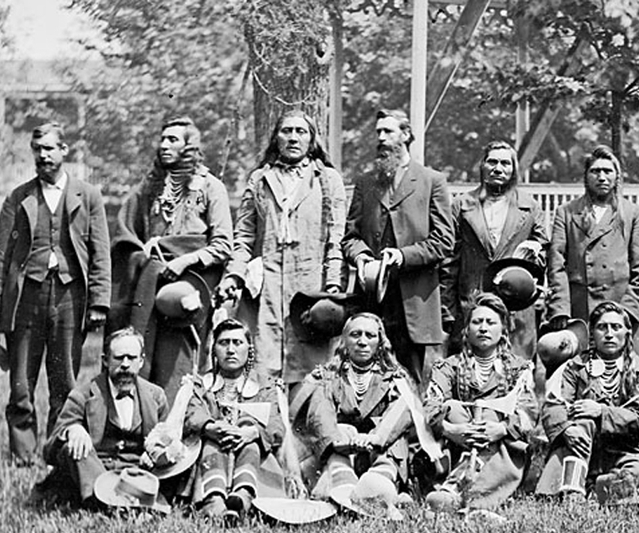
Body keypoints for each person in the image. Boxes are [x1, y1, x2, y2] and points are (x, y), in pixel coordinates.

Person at [0, 122, 111, 466]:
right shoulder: (18, 197)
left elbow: (101, 252)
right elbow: (0, 256)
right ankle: (23, 457)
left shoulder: (89, 195)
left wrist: (99, 302)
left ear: (64, 151)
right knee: (21, 383)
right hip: (26, 298)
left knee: (64, 380)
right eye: (38, 149)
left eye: (50, 148)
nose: (43, 155)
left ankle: (57, 452)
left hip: (71, 298)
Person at [113, 116, 235, 400]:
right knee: (143, 358)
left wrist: (183, 260)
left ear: (189, 146)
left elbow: (222, 245)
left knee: (177, 370)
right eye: (163, 139)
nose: (164, 145)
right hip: (149, 283)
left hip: (187, 289)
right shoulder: (150, 189)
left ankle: (173, 436)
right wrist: (142, 252)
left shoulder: (210, 187)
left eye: (173, 140)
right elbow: (127, 233)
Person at [226, 110, 347, 391]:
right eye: (286, 131)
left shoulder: (327, 180)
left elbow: (335, 238)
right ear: (276, 137)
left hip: (310, 286)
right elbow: (243, 237)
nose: (293, 137)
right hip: (267, 287)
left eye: (301, 131)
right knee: (265, 367)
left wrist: (331, 285)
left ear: (312, 140)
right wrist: (234, 275)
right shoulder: (259, 181)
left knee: (313, 372)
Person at [342, 109, 455, 385]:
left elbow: (444, 240)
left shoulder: (431, 181)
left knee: (410, 380)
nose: (381, 138)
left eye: (388, 131)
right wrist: (362, 256)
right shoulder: (366, 183)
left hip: (413, 301)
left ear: (406, 135)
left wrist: (403, 256)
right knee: (365, 378)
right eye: (378, 132)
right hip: (371, 299)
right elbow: (350, 237)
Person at [424, 293, 538, 512]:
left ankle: (466, 493)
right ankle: (472, 491)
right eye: (477, 322)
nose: (483, 328)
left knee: (490, 412)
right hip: (458, 445)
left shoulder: (519, 369)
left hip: (503, 446)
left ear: (503, 330)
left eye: (490, 322)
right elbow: (431, 405)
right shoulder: (448, 367)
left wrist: (501, 428)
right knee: (453, 408)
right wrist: (450, 429)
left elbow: (528, 411)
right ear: (466, 330)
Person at [535, 302, 639, 502]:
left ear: (627, 332)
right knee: (583, 421)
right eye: (602, 327)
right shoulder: (576, 366)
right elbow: (554, 405)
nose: (609, 334)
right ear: (592, 333)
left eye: (616, 327)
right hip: (579, 445)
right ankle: (573, 492)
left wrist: (601, 410)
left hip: (626, 449)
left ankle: (601, 487)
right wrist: (566, 429)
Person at [37, 328, 169, 506]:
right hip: (95, 472)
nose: (125, 364)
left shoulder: (156, 396)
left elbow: (166, 440)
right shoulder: (83, 394)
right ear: (105, 361)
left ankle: (130, 498)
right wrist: (72, 430)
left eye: (131, 358)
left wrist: (157, 451)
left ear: (141, 361)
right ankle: (105, 502)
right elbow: (50, 451)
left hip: (137, 474)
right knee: (74, 447)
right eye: (118, 358)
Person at [441, 140, 547, 358]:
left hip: (516, 309)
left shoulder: (530, 207)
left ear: (513, 169)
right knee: (471, 373)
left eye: (505, 164)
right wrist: (448, 311)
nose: (498, 168)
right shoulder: (462, 205)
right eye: (492, 162)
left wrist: (535, 251)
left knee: (517, 373)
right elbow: (448, 261)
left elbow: (545, 252)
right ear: (483, 166)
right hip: (472, 304)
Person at [296, 313, 416, 499]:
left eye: (370, 335)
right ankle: (342, 482)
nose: (362, 341)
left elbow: (401, 411)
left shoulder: (395, 377)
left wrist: (376, 437)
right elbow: (319, 414)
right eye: (355, 334)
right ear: (344, 341)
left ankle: (379, 482)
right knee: (343, 429)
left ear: (380, 342)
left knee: (396, 438)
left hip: (378, 450)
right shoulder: (326, 376)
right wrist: (336, 440)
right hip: (340, 452)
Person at [183, 319, 285, 523]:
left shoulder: (265, 386)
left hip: (254, 453)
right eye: (224, 343)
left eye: (237, 343)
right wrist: (210, 427)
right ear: (214, 349)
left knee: (250, 430)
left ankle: (244, 494)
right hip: (210, 452)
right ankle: (214, 499)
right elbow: (191, 414)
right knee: (212, 442)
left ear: (249, 349)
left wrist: (251, 433)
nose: (230, 350)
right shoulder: (201, 384)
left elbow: (276, 425)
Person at [546, 146, 639, 329]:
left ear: (616, 177)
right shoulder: (567, 213)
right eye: (595, 171)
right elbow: (556, 265)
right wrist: (560, 309)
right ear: (586, 176)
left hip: (620, 309)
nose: (602, 177)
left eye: (607, 171)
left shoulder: (631, 213)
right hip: (580, 310)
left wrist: (628, 311)